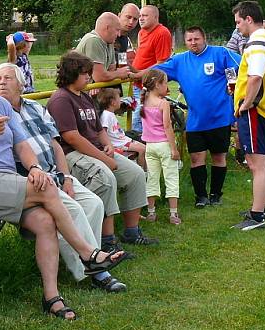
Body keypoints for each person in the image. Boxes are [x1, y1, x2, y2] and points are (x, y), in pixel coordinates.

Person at [0, 52, 127, 320]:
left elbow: (22, 144)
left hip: (6, 180)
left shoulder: (0, 106)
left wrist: (35, 167)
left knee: (44, 221)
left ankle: (51, 298)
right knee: (48, 187)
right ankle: (88, 254)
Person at [0, 63, 127, 292]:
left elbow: (55, 146)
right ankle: (94, 272)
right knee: (72, 211)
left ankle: (89, 261)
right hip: (29, 182)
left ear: (22, 85)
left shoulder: (35, 107)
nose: (2, 82)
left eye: (8, 78)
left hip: (54, 174)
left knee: (93, 203)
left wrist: (66, 178)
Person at [46, 51, 155, 251]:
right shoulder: (61, 99)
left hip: (96, 151)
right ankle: (107, 242)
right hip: (73, 155)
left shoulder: (85, 97)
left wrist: (109, 145)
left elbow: (98, 129)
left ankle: (132, 231)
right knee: (105, 178)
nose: (89, 77)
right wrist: (105, 159)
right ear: (71, 74)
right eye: (84, 73)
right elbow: (71, 137)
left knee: (136, 174)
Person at [153, 26, 241, 207]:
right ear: (185, 42)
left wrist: (237, 88)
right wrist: (133, 73)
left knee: (219, 157)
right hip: (195, 120)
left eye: (196, 39)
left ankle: (216, 194)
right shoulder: (179, 61)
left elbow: (245, 67)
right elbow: (155, 72)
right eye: (189, 40)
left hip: (219, 118)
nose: (193, 43)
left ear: (204, 38)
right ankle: (201, 197)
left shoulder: (221, 53)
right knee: (196, 158)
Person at [230, 0, 265, 231]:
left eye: (239, 22)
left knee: (256, 163)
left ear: (249, 19)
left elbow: (255, 76)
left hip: (255, 110)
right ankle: (263, 206)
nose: (238, 27)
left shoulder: (258, 40)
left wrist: (245, 103)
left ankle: (257, 215)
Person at [139, 69, 181, 225]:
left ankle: (151, 211)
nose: (167, 87)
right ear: (157, 85)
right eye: (165, 83)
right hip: (164, 145)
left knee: (152, 178)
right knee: (171, 177)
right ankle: (173, 213)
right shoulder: (164, 103)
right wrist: (174, 149)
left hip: (149, 145)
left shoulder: (144, 101)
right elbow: (167, 126)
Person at [131, 5, 173, 133]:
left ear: (155, 17)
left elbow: (161, 64)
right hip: (137, 84)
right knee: (137, 116)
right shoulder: (141, 32)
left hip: (150, 85)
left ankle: (144, 146)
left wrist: (140, 74)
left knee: (140, 119)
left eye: (145, 16)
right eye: (140, 16)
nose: (141, 19)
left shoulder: (162, 33)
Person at [75, 12, 132, 86]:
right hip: (82, 91)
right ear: (107, 28)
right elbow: (100, 76)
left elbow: (112, 68)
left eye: (135, 19)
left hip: (101, 86)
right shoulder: (94, 40)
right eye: (117, 30)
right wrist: (120, 73)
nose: (119, 34)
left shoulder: (113, 41)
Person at [97, 88, 146, 170]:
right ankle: (142, 172)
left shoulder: (110, 113)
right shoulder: (106, 115)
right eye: (119, 99)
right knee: (142, 150)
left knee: (144, 147)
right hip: (119, 144)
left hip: (123, 140)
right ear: (113, 102)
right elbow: (103, 131)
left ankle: (143, 169)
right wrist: (109, 146)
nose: (120, 100)